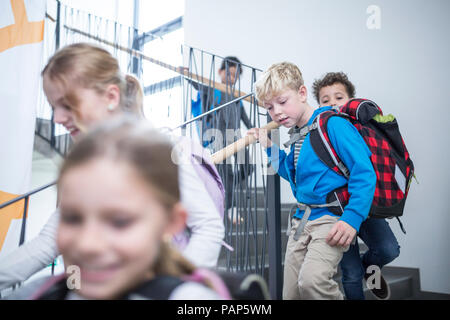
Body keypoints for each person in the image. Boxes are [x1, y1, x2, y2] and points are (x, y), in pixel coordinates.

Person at [0, 43, 225, 291]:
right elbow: (47, 244)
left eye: (68, 104)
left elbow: (208, 227)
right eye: (54, 107)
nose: (57, 118)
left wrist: (171, 289)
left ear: (111, 97)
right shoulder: (86, 164)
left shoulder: (160, 151)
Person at [5, 118, 224, 300]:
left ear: (171, 223)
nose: (88, 244)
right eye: (72, 218)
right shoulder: (47, 293)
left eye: (119, 221)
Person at [247, 62, 376, 300]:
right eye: (269, 107)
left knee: (312, 282)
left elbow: (365, 173)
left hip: (330, 219)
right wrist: (267, 145)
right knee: (292, 293)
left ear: (303, 93)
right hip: (300, 221)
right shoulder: (298, 134)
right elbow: (291, 173)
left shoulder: (333, 124)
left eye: (282, 102)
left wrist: (352, 218)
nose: (276, 112)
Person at [312, 71, 400, 300]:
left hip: (364, 203)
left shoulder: (361, 126)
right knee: (350, 273)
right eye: (325, 100)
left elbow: (368, 168)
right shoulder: (318, 132)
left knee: (389, 249)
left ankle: (370, 267)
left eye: (338, 97)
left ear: (351, 100)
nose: (332, 103)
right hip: (336, 211)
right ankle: (359, 274)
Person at [188, 57, 252, 221]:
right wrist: (187, 74)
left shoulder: (236, 95)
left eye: (236, 76)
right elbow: (197, 84)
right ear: (220, 72)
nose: (233, 78)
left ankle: (226, 182)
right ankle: (231, 208)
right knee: (227, 171)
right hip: (218, 136)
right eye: (230, 74)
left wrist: (253, 128)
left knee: (248, 167)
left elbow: (243, 116)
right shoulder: (212, 88)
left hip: (236, 136)